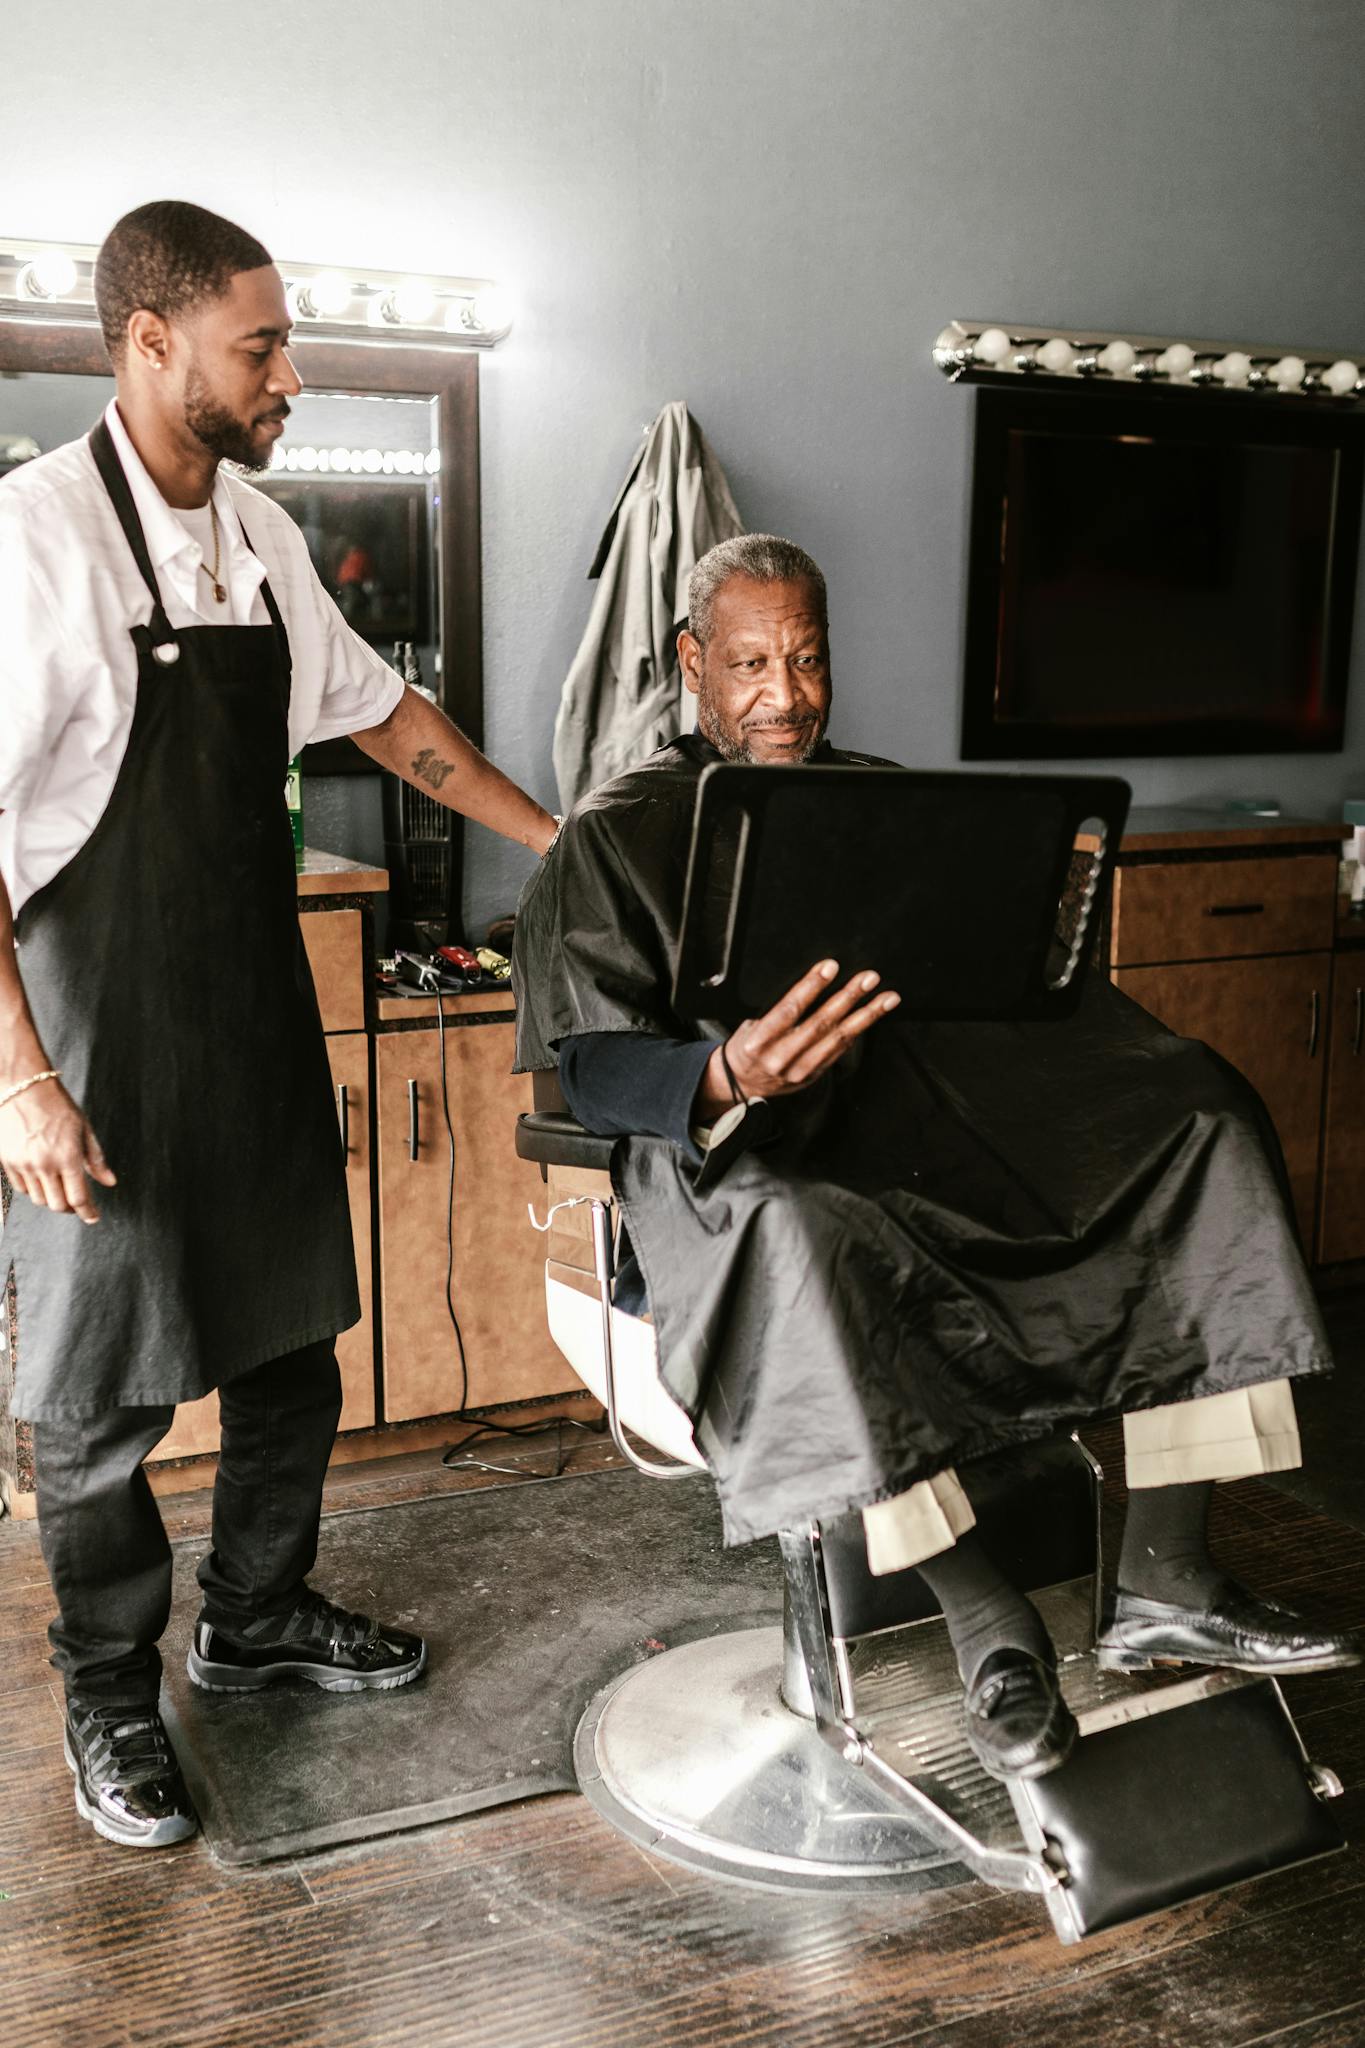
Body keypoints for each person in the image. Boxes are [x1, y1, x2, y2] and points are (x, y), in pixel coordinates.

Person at [513, 532, 1359, 1783]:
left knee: (1206, 1121)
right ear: (693, 665)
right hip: (746, 1173)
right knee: (812, 1235)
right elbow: (583, 1065)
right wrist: (730, 1071)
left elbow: (996, 1004)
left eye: (806, 660)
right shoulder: (618, 834)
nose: (785, 696)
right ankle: (988, 1620)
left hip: (927, 1144)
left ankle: (1167, 1572)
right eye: (750, 663)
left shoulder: (891, 804)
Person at [0, 201, 557, 1849]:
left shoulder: (259, 537)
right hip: (90, 1031)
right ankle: (113, 1692)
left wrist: (561, 842)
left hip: (246, 1007)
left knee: (293, 1341)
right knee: (93, 1396)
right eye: (262, 343)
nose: (292, 372)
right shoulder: (37, 544)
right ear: (150, 343)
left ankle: (254, 1620)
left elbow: (390, 718)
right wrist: (20, 1076)